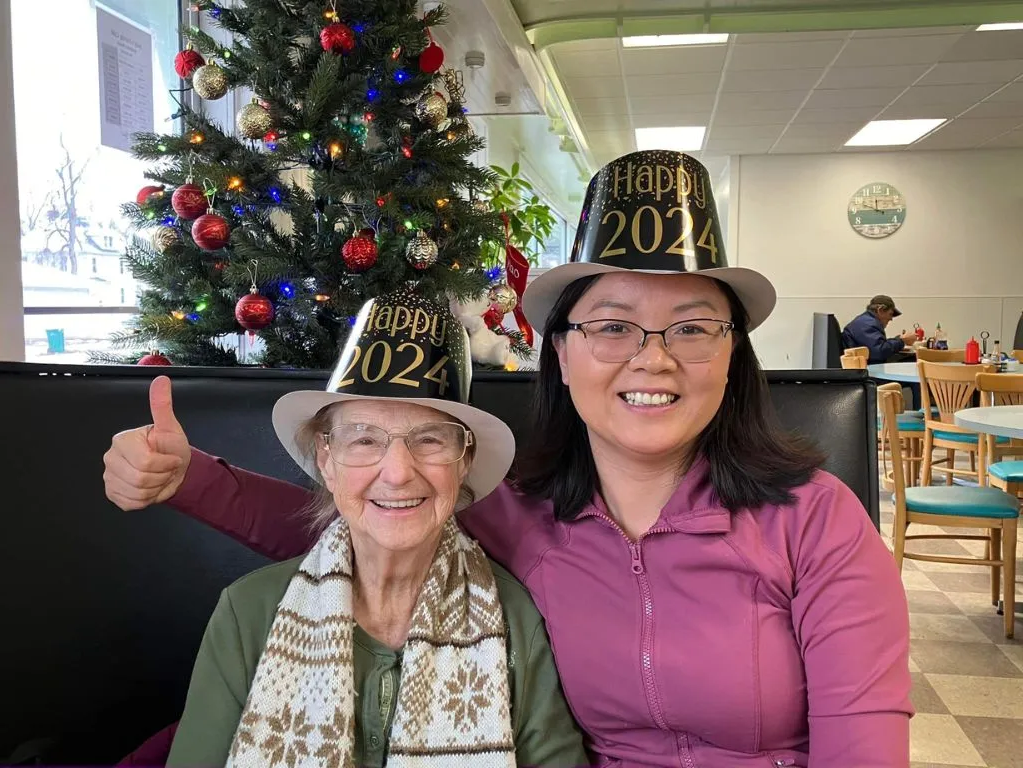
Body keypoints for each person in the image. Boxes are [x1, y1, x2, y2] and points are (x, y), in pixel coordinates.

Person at [106, 151, 912, 767]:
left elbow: (865, 746)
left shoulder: (816, 522)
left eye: (694, 326)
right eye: (613, 324)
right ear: (561, 353)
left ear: (733, 354)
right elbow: (371, 523)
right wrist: (191, 479)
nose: (653, 359)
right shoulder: (520, 515)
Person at [109, 291, 586, 767]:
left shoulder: (513, 617)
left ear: (464, 462)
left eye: (429, 439)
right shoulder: (247, 614)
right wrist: (189, 477)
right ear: (326, 461)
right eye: (362, 440)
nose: (398, 473)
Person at [842, 295, 917, 363]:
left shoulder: (864, 321)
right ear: (880, 310)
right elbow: (879, 351)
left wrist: (898, 340)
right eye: (890, 314)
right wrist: (902, 341)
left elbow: (877, 345)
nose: (891, 319)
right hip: (865, 370)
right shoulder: (867, 324)